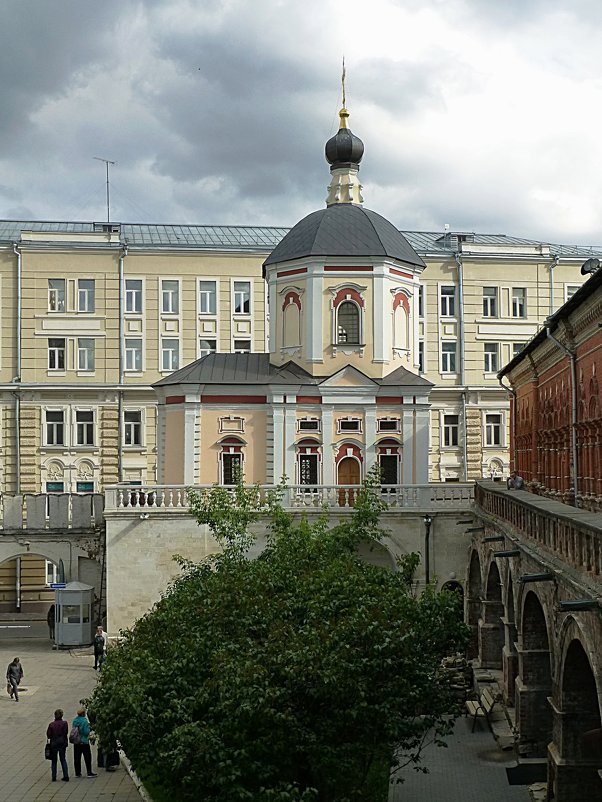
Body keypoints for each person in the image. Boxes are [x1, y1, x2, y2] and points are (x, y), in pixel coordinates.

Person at [71, 707, 97, 778]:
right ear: (83, 714)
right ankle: (89, 772)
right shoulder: (84, 721)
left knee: (77, 758)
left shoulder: (75, 720)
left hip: (76, 742)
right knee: (87, 757)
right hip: (83, 741)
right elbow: (86, 732)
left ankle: (78, 772)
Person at [46, 708, 69, 782]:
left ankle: (54, 776)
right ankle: (66, 775)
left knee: (54, 760)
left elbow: (49, 735)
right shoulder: (65, 723)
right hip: (62, 743)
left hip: (54, 743)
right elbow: (66, 732)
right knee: (63, 759)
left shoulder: (51, 724)